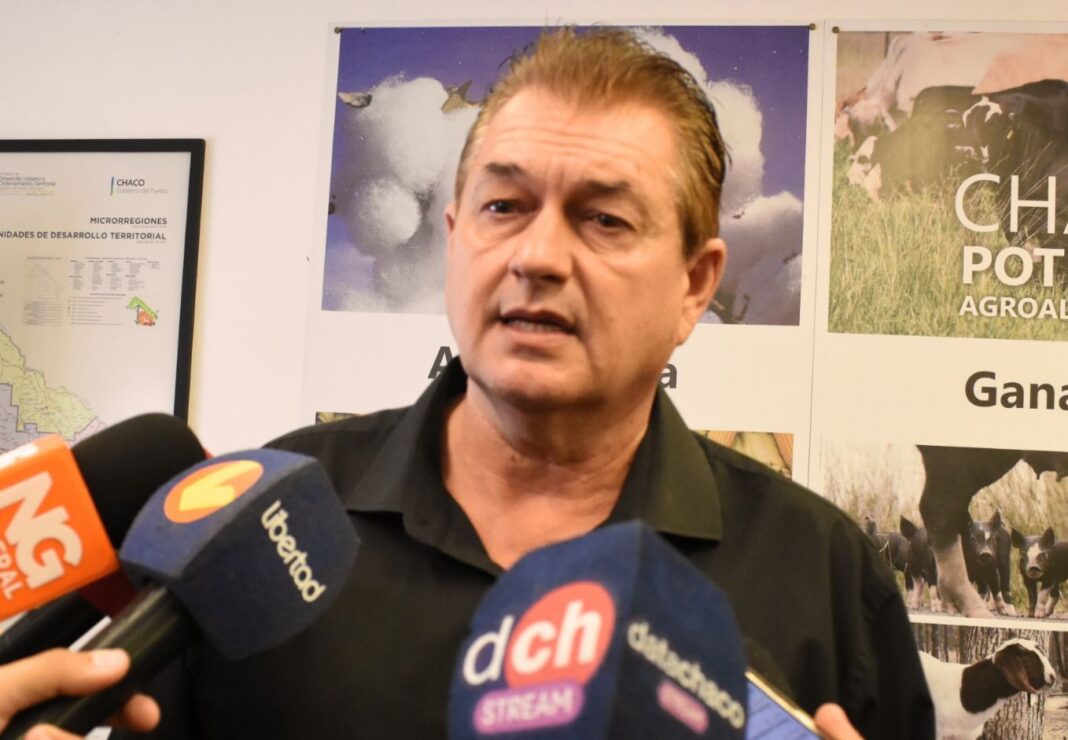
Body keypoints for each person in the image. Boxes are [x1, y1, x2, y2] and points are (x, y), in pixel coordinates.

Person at [11, 28, 933, 739]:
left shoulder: (822, 575)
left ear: (696, 284)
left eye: (605, 219)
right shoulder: (259, 526)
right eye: (503, 206)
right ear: (454, 239)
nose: (537, 256)